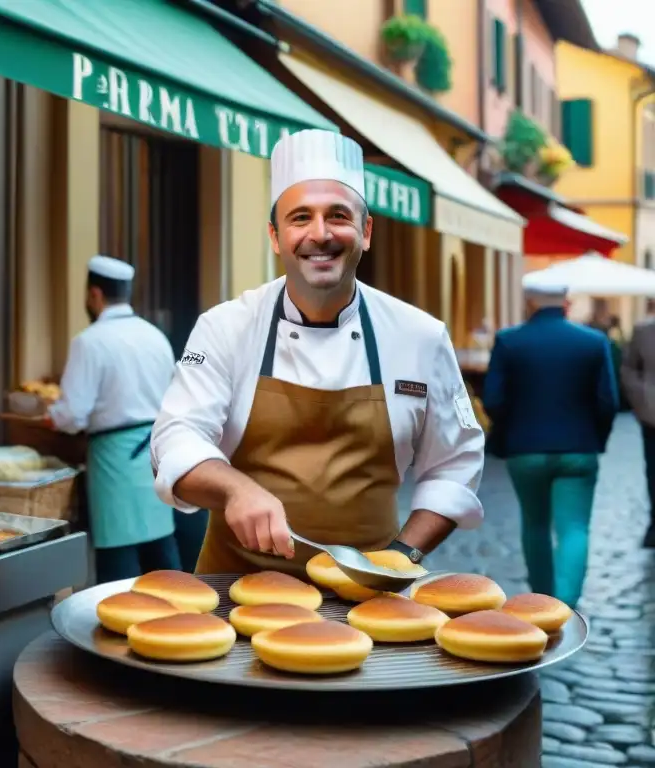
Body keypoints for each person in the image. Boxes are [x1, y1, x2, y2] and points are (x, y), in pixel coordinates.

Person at [149, 129, 485, 576]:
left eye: (338, 216)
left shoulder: (419, 335)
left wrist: (402, 558)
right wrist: (235, 490)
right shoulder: (226, 326)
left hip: (369, 591)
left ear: (366, 232)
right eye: (300, 218)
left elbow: (455, 463)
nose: (320, 234)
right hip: (235, 590)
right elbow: (176, 438)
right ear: (275, 236)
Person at [47, 255, 185, 582]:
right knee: (161, 552)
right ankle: (182, 619)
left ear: (94, 295)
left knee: (117, 560)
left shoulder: (89, 342)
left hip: (114, 461)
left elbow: (72, 415)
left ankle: (117, 624)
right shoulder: (155, 336)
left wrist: (51, 417)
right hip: (155, 452)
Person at [483, 285, 617, 607]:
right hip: (579, 448)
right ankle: (567, 606)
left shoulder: (509, 340)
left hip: (525, 449)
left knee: (535, 523)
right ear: (566, 303)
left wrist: (512, 429)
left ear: (529, 301)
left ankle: (543, 601)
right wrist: (594, 438)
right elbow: (608, 402)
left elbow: (493, 400)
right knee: (575, 528)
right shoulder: (594, 342)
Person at [622, 307, 655, 547]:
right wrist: (642, 400)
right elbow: (629, 369)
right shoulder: (644, 331)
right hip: (652, 416)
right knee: (653, 471)